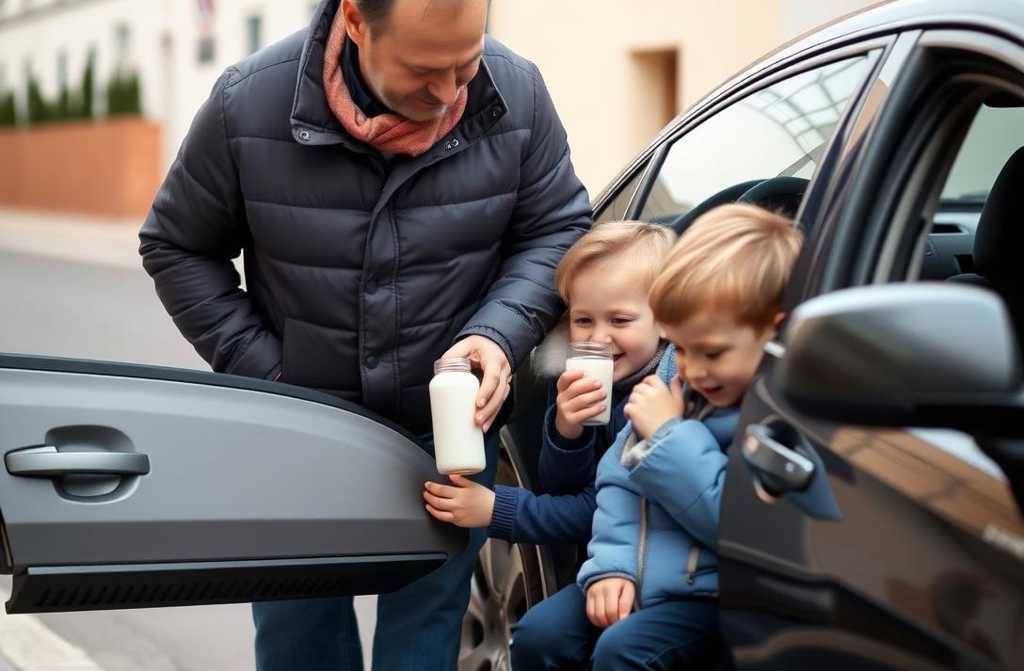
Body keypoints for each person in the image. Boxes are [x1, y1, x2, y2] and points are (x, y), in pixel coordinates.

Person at [138, 0, 591, 668]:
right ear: (355, 19)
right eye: (423, 71)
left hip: (446, 437)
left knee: (425, 642)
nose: (448, 95)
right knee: (301, 645)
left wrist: (497, 334)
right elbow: (175, 246)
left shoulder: (516, 89)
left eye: (465, 63)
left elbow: (558, 227)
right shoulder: (247, 104)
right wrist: (270, 375)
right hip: (297, 435)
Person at [509, 204, 803, 670]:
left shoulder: (774, 416)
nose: (691, 369)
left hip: (707, 590)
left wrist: (667, 434)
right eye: (682, 350)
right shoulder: (675, 385)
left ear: (775, 331)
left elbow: (737, 524)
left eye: (710, 352)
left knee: (622, 651)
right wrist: (612, 567)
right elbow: (618, 484)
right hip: (638, 569)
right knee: (538, 636)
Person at [421, 221, 676, 546]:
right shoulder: (574, 383)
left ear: (669, 318)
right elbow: (559, 488)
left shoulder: (671, 395)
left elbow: (614, 511)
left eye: (620, 320)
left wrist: (498, 509)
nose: (598, 339)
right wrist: (567, 431)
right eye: (583, 320)